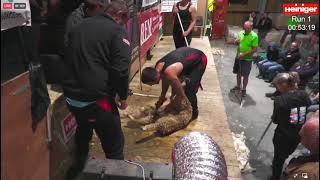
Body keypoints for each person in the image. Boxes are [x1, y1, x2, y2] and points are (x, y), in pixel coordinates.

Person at [61, 1, 130, 179]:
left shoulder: (79, 25)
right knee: (114, 145)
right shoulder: (117, 31)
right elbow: (121, 70)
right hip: (96, 100)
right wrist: (122, 96)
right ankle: (116, 175)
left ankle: (78, 169)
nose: (124, 25)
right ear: (119, 15)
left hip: (71, 98)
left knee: (84, 128)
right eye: (125, 20)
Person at [141, 47, 207, 120]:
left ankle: (194, 113)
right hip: (187, 58)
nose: (151, 85)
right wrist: (162, 97)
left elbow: (181, 94)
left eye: (151, 84)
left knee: (189, 90)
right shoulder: (158, 67)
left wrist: (171, 105)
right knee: (179, 85)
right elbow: (165, 81)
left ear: (155, 78)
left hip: (199, 60)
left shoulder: (169, 72)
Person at [270, 72, 312, 180]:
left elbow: (275, 120)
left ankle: (275, 176)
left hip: (283, 135)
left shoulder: (280, 100)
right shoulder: (303, 94)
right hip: (299, 132)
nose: (277, 88)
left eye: (277, 85)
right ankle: (281, 162)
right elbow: (308, 104)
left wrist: (274, 116)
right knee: (286, 154)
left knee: (278, 159)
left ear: (283, 85)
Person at [280, 110, 319, 180]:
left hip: (285, 134)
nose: (300, 133)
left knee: (280, 157)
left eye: (305, 135)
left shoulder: (304, 173)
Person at [229, 21, 258, 97]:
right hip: (239, 57)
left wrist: (244, 54)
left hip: (247, 59)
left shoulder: (254, 36)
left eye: (247, 28)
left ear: (251, 28)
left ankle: (244, 89)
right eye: (244, 28)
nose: (245, 30)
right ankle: (238, 86)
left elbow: (254, 49)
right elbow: (237, 42)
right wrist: (236, 42)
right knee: (238, 73)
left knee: (245, 75)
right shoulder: (241, 33)